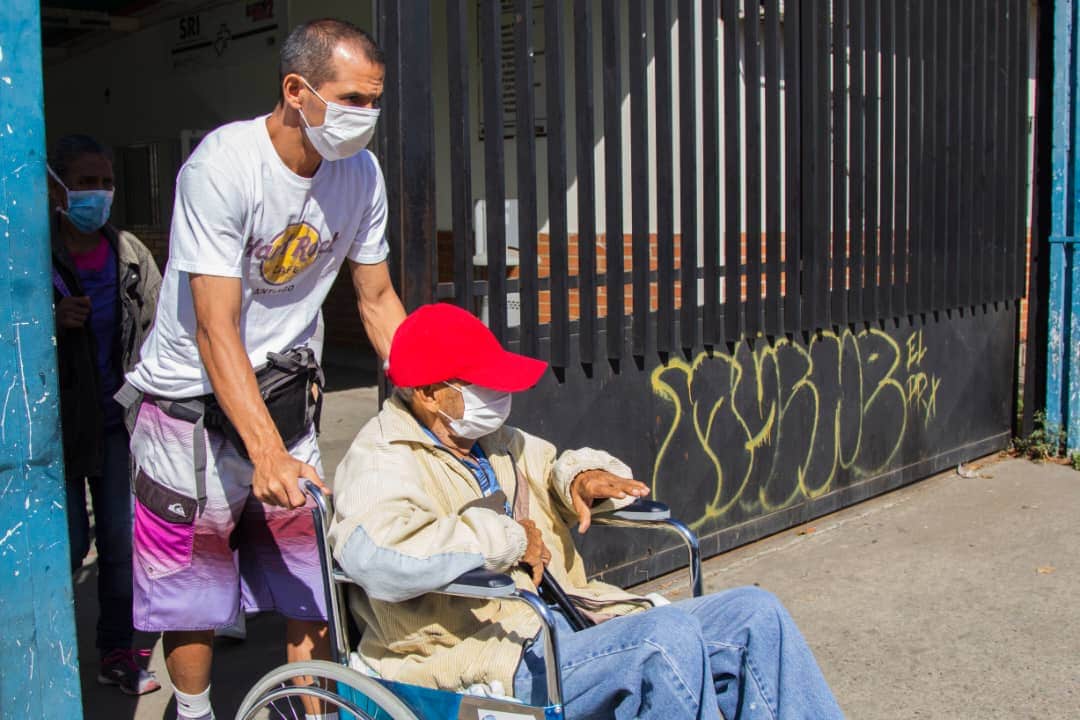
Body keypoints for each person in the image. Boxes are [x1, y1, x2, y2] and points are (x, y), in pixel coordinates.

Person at [328, 303, 845, 720]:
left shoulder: (491, 440)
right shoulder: (379, 461)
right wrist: (505, 539)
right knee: (661, 646)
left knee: (756, 615)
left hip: (565, 621)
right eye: (477, 386)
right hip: (477, 654)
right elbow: (377, 556)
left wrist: (581, 477)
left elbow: (552, 463)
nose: (497, 394)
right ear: (427, 393)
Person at [119, 19, 406, 720]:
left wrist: (431, 392)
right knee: (195, 592)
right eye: (351, 100)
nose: (364, 119)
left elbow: (376, 299)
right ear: (296, 90)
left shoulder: (360, 174)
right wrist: (264, 451)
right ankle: (192, 711)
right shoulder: (224, 166)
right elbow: (216, 325)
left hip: (285, 400)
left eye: (375, 102)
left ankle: (308, 709)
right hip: (189, 411)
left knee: (309, 585)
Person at [48, 134, 162, 695]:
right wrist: (48, 318)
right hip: (57, 430)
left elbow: (161, 332)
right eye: (85, 182)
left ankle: (115, 651)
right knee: (65, 544)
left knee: (119, 545)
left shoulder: (129, 253)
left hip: (117, 425)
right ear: (57, 188)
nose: (98, 193)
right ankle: (47, 650)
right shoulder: (29, 255)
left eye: (105, 182)